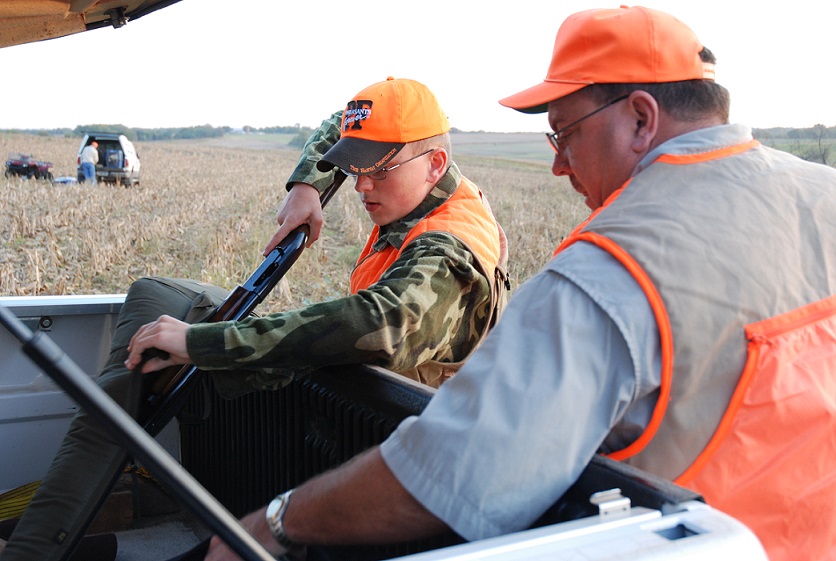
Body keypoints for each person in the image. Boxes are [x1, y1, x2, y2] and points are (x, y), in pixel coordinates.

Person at [198, 6, 835, 561]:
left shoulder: (610, 269)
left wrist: (274, 522)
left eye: (565, 133)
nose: (557, 164)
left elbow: (453, 475)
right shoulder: (824, 196)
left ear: (641, 118)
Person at [0, 77, 508, 561]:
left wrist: (205, 343)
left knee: (174, 347)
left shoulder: (449, 249)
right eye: (355, 170)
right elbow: (343, 127)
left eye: (379, 170)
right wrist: (309, 184)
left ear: (435, 163)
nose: (361, 186)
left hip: (393, 439)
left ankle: (39, 546)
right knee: (158, 295)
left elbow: (376, 323)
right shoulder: (417, 181)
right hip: (357, 400)